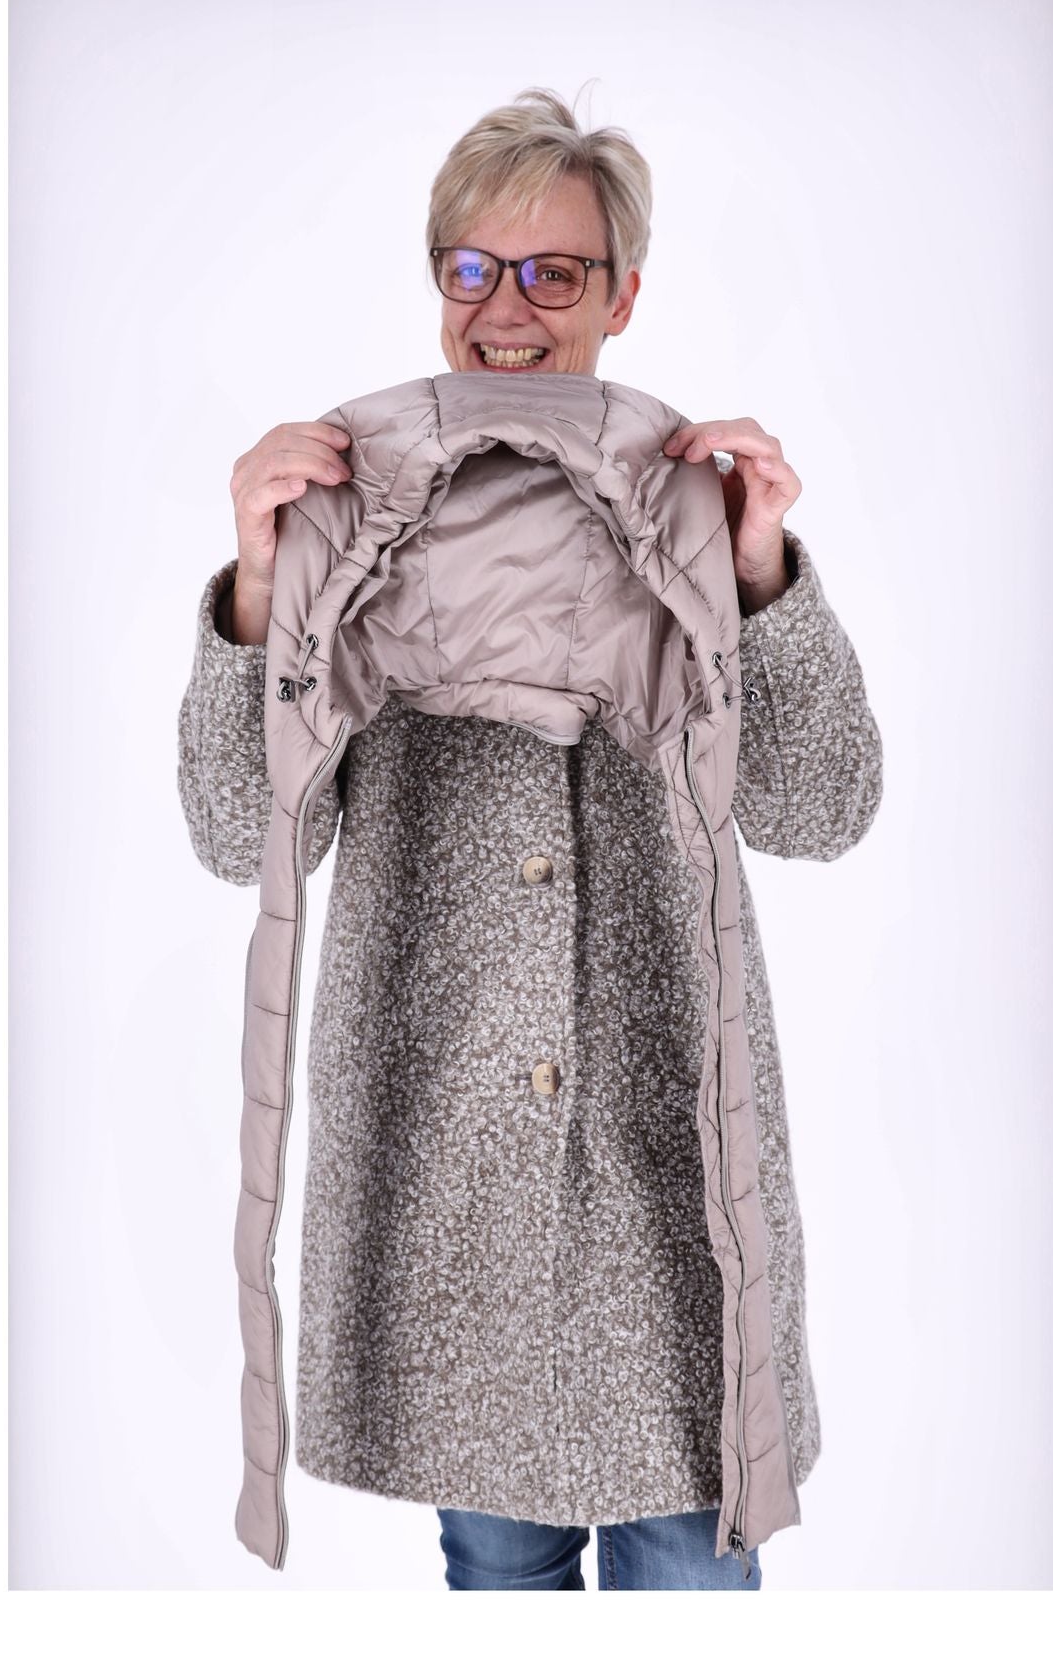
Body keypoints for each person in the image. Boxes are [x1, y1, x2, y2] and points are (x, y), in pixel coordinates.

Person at [177, 84, 883, 1591]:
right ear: (435, 280)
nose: (506, 309)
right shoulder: (345, 524)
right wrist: (256, 590)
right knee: (497, 1582)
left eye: (553, 272)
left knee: (693, 1582)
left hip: (666, 1178)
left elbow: (824, 809)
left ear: (622, 295)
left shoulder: (695, 516)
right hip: (452, 1187)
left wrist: (761, 576)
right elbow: (239, 833)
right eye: (473, 268)